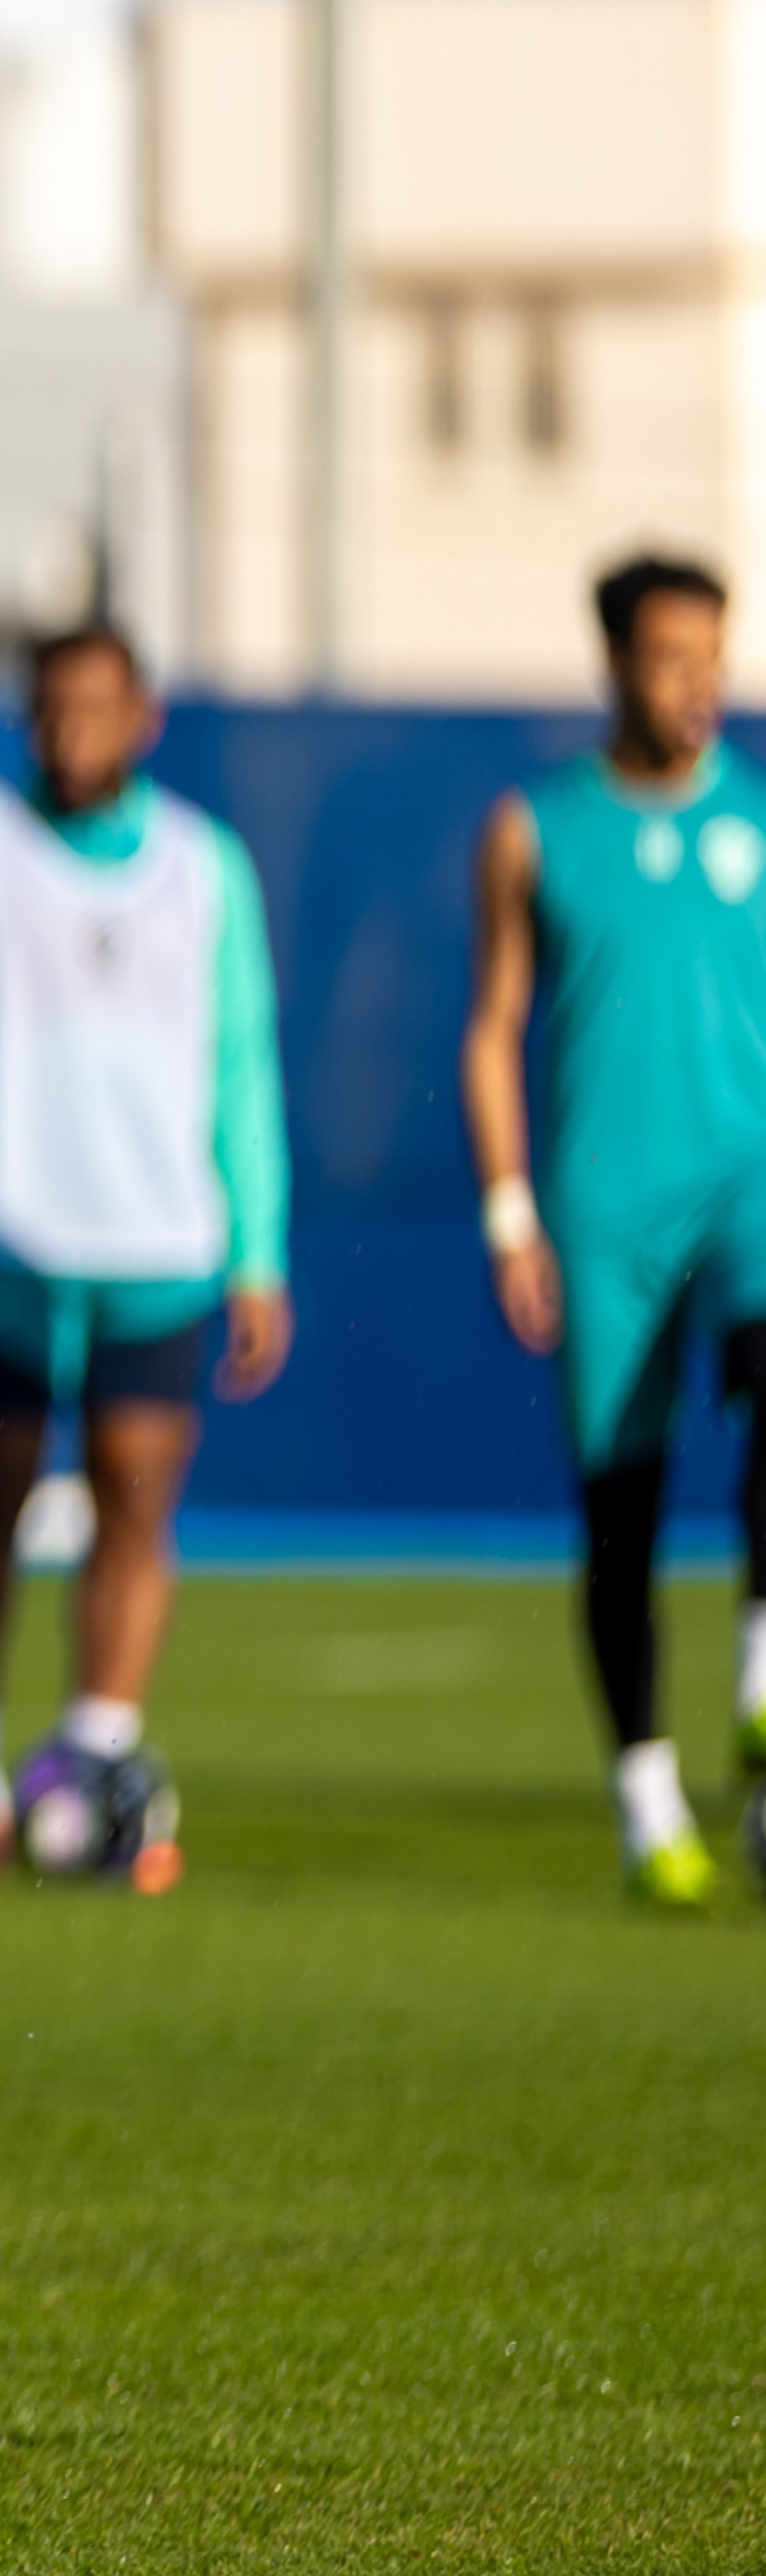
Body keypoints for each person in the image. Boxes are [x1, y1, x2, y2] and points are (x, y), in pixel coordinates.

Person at [0, 624, 292, 1889]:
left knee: (135, 1502)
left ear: (144, 716)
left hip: (159, 1247)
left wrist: (258, 1252)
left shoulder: (207, 868)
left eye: (95, 706)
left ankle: (96, 1768)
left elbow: (244, 1064)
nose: (70, 730)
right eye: (50, 707)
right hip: (1, 1247)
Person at [461, 547, 766, 1908]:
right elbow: (494, 1027)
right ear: (614, 665)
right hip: (603, 1209)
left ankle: (763, 1669)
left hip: (746, 1179)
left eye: (714, 654)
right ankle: (653, 1803)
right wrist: (511, 1211)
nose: (697, 684)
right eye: (669, 656)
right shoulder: (537, 827)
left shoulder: (756, 818)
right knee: (623, 1514)